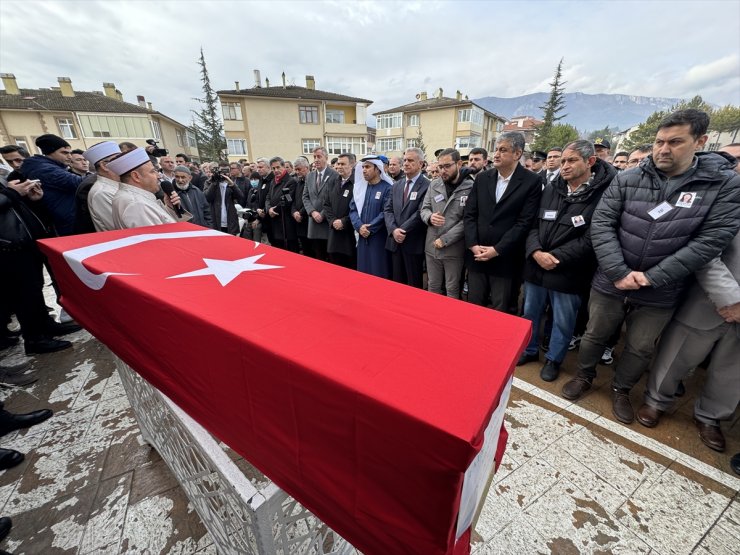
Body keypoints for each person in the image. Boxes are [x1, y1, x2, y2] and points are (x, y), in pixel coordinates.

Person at [561, 109, 740, 425]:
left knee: (641, 346)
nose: (664, 149)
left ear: (700, 141)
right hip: (611, 280)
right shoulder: (628, 178)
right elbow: (602, 223)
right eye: (659, 141)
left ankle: (621, 389)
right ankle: (584, 376)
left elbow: (710, 242)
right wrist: (618, 271)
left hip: (661, 288)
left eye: (675, 141)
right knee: (594, 334)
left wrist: (651, 277)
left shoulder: (721, 186)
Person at [518, 140, 617, 381]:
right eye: (562, 161)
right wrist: (536, 252)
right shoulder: (553, 187)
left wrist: (556, 258)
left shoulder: (605, 193)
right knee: (530, 313)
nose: (564, 166)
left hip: (569, 271)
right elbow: (533, 224)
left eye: (571, 160)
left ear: (590, 161)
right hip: (537, 265)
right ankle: (529, 350)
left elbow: (593, 236)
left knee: (563, 321)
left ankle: (554, 359)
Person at [463, 131, 542, 313]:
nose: (496, 154)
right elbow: (470, 214)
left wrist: (497, 250)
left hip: (506, 259)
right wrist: (473, 244)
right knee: (474, 308)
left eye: (503, 150)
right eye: (496, 149)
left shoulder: (532, 182)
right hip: (477, 255)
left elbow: (525, 222)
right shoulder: (483, 178)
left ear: (517, 154)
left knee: (502, 311)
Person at [1, 175, 78, 355]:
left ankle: (45, 326)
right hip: (8, 249)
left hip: (24, 244)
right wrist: (12, 192)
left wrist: (31, 198)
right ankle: (35, 339)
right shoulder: (8, 190)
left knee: (34, 289)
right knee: (24, 296)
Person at [420, 148, 474, 299]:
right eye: (440, 167)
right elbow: (424, 209)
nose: (443, 170)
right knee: (433, 285)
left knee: (452, 288)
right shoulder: (434, 184)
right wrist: (430, 217)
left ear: (459, 164)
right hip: (431, 246)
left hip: (453, 249)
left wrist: (445, 240)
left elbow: (468, 220)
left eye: (447, 166)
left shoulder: (470, 187)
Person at [384, 147, 430, 288]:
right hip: (395, 242)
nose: (406, 163)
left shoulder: (428, 185)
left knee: (413, 284)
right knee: (397, 283)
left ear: (421, 164)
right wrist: (393, 230)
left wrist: (402, 231)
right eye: (404, 160)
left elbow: (420, 212)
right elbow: (388, 209)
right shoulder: (397, 185)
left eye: (410, 160)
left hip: (413, 242)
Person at [109, 148, 188, 229]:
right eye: (153, 171)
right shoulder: (137, 204)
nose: (158, 175)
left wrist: (170, 207)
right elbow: (164, 238)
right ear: (136, 176)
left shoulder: (135, 199)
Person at [20, 134, 82, 236]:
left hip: (65, 219)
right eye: (64, 153)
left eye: (70, 153)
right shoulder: (44, 169)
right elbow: (76, 182)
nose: (70, 156)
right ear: (50, 152)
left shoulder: (50, 166)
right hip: (62, 222)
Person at [350, 156, 393, 278]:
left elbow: (386, 211)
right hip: (363, 236)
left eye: (368, 167)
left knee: (379, 271)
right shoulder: (360, 189)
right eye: (363, 167)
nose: (364, 170)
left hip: (379, 237)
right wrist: (359, 227)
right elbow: (353, 210)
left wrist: (370, 228)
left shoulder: (388, 188)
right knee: (363, 273)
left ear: (378, 169)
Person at [74, 141, 122, 233]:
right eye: (119, 159)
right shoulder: (102, 193)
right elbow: (120, 228)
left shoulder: (114, 184)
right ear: (104, 166)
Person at [302, 147, 339, 260]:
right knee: (318, 256)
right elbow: (305, 196)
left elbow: (334, 198)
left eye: (319, 156)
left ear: (326, 158)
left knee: (330, 257)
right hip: (313, 223)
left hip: (327, 222)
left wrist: (322, 214)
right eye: (314, 157)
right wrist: (312, 212)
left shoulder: (334, 175)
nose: (316, 160)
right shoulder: (310, 175)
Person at [325, 153, 356, 268]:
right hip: (334, 234)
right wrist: (333, 221)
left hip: (349, 235)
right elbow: (326, 204)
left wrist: (344, 222)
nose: (339, 166)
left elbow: (358, 209)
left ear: (352, 165)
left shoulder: (357, 184)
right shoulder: (333, 181)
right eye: (338, 164)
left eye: (343, 164)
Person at [266, 157, 298, 251]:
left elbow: (287, 200)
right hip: (274, 222)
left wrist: (274, 210)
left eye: (278, 167)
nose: (276, 170)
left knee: (290, 252)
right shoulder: (273, 181)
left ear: (283, 167)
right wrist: (269, 209)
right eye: (273, 168)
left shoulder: (291, 181)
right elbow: (268, 197)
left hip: (286, 224)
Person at [205, 163, 245, 235]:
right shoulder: (209, 182)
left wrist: (232, 185)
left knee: (231, 244)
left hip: (230, 221)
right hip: (216, 221)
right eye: (222, 171)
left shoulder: (232, 182)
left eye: (226, 171)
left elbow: (240, 197)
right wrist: (214, 183)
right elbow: (207, 198)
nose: (224, 173)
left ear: (229, 172)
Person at [291, 158, 311, 254]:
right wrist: (294, 212)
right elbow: (294, 200)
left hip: (308, 220)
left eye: (299, 169)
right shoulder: (298, 182)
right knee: (304, 249)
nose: (297, 172)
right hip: (298, 220)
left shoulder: (312, 181)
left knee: (311, 250)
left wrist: (300, 213)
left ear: (306, 168)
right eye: (296, 169)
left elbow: (310, 200)